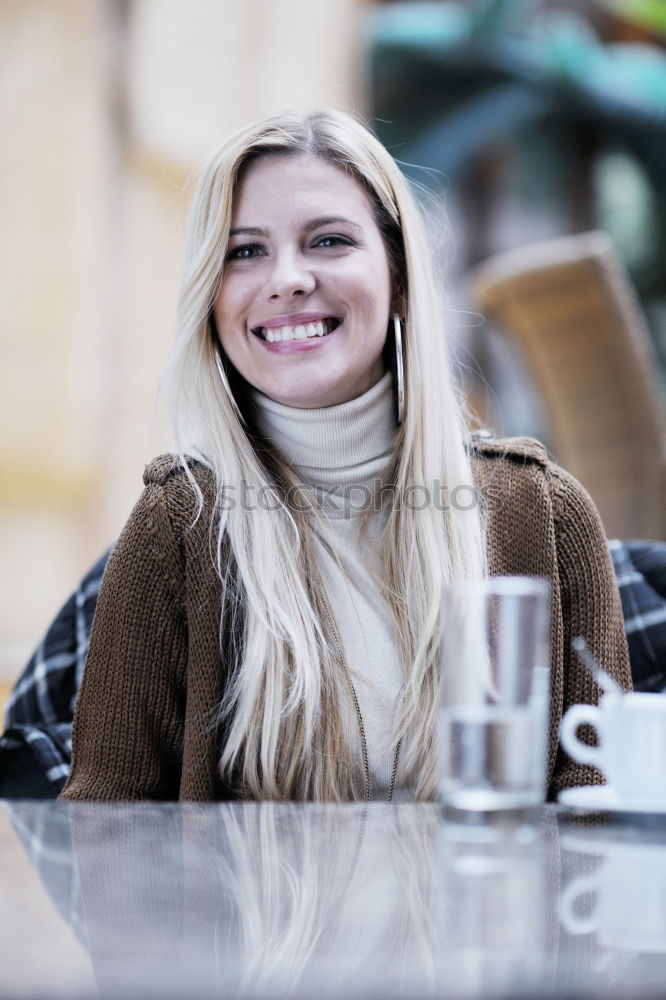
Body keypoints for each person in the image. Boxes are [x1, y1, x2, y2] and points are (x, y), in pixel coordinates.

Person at [40, 108, 627, 802]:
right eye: (244, 251)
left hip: (493, 912)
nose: (287, 279)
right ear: (211, 296)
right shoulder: (178, 525)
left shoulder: (544, 515)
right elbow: (109, 841)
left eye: (327, 241)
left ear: (401, 281)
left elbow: (602, 818)